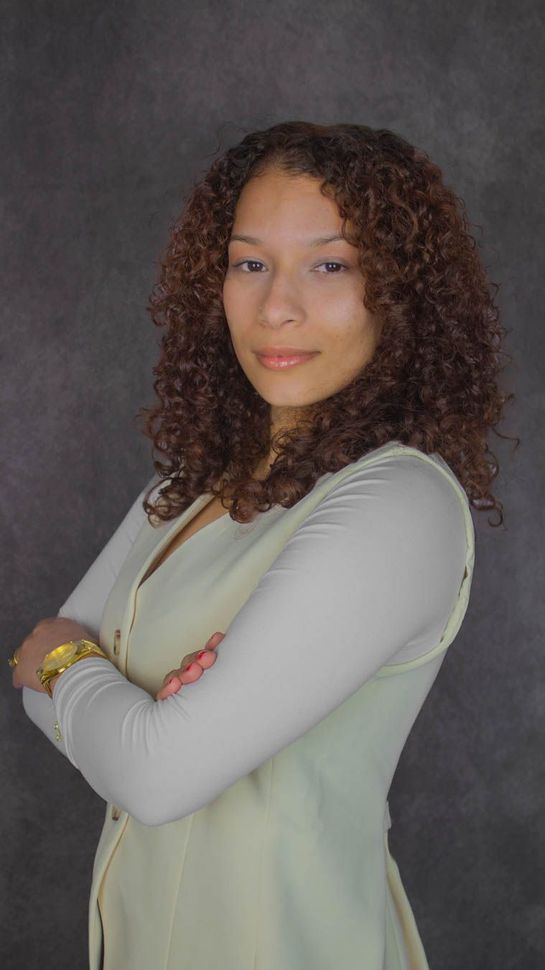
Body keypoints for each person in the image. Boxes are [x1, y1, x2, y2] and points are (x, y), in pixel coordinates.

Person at [11, 121, 513, 970]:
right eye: (249, 262)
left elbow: (149, 770)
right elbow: (34, 681)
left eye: (330, 264)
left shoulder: (397, 502)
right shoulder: (186, 487)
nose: (277, 305)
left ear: (401, 290)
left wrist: (77, 669)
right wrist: (127, 710)